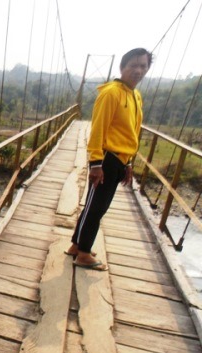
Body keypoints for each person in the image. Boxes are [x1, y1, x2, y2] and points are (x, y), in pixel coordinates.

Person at [66, 48, 152, 271]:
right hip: (106, 158)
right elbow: (98, 129)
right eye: (134, 65)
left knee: (98, 206)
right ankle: (84, 253)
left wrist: (129, 162)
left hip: (119, 159)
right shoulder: (111, 93)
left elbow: (132, 131)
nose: (138, 70)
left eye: (143, 66)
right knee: (96, 206)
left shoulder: (135, 95)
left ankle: (77, 245)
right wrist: (96, 163)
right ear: (122, 67)